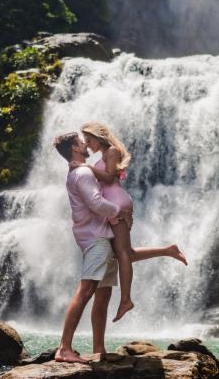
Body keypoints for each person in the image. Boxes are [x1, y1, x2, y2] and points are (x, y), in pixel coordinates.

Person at [53, 132, 186, 363]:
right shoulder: (83, 172)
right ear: (74, 148)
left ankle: (98, 348)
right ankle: (64, 348)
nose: (86, 145)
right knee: (86, 290)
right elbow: (95, 202)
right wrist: (120, 211)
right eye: (81, 142)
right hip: (95, 238)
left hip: (102, 236)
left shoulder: (81, 170)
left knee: (103, 294)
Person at [69, 123, 133, 322]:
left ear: (99, 136)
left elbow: (109, 176)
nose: (87, 146)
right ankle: (168, 250)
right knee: (122, 252)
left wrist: (85, 167)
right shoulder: (104, 156)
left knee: (123, 252)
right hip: (112, 204)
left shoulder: (112, 151)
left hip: (116, 201)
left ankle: (126, 300)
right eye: (84, 142)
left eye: (89, 140)